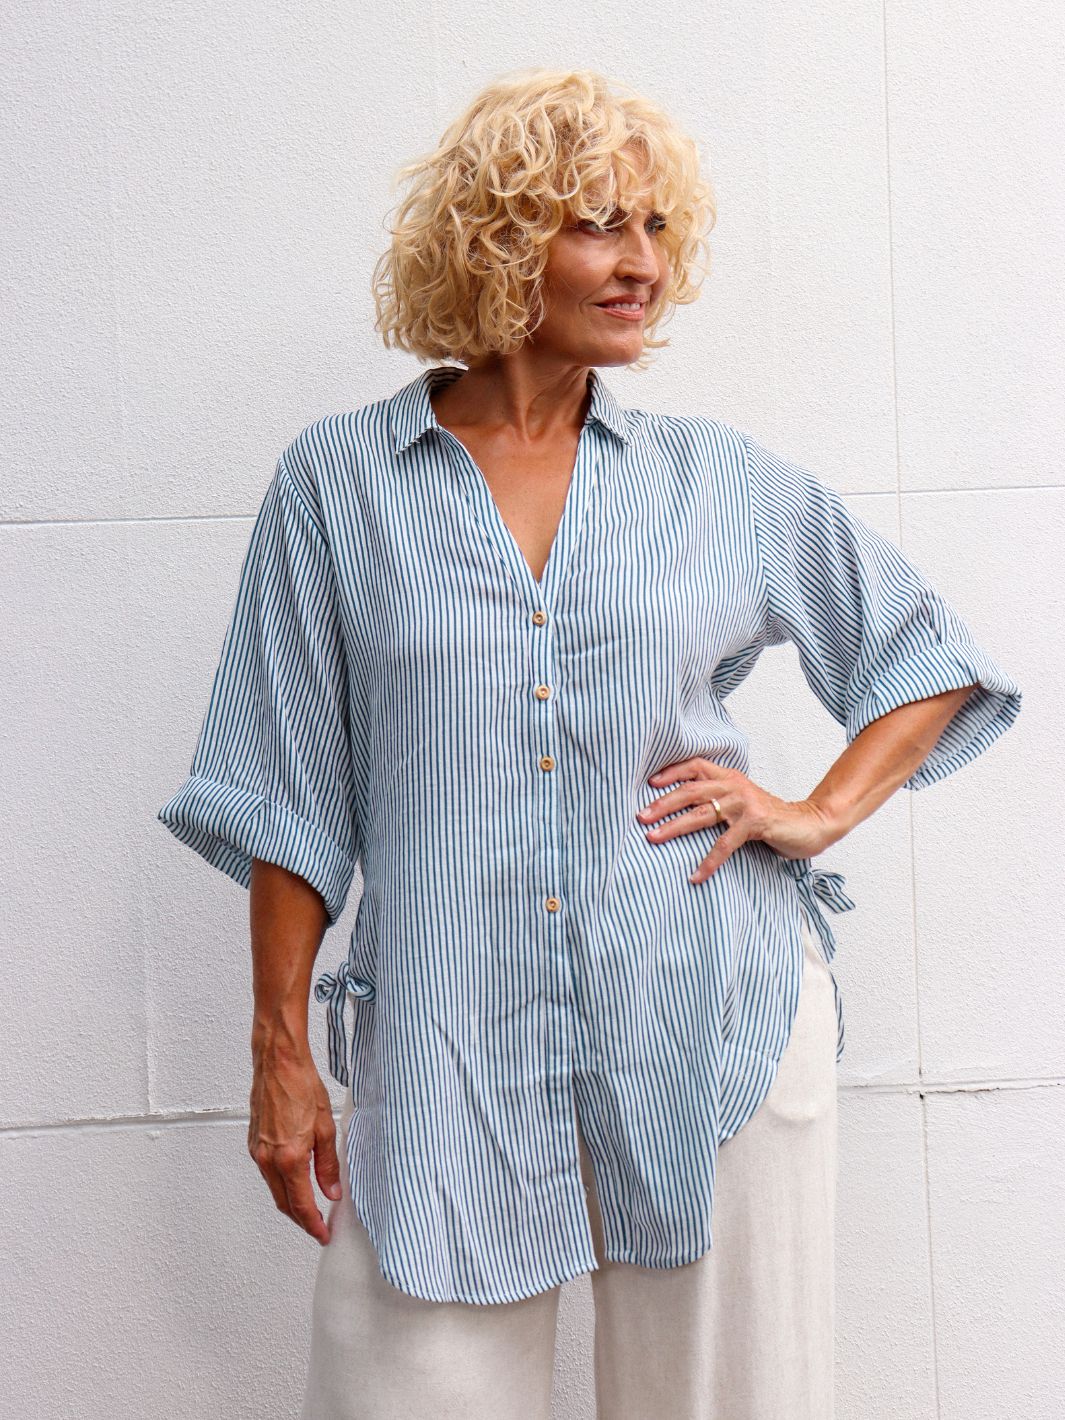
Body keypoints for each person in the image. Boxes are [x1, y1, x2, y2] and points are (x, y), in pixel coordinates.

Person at [156, 67, 1023, 1420]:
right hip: (446, 1039)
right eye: (601, 226)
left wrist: (811, 811)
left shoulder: (716, 480)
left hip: (709, 1017)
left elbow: (929, 658)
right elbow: (286, 795)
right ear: (499, 243)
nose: (645, 266)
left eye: (658, 229)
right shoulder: (338, 487)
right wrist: (279, 1053)